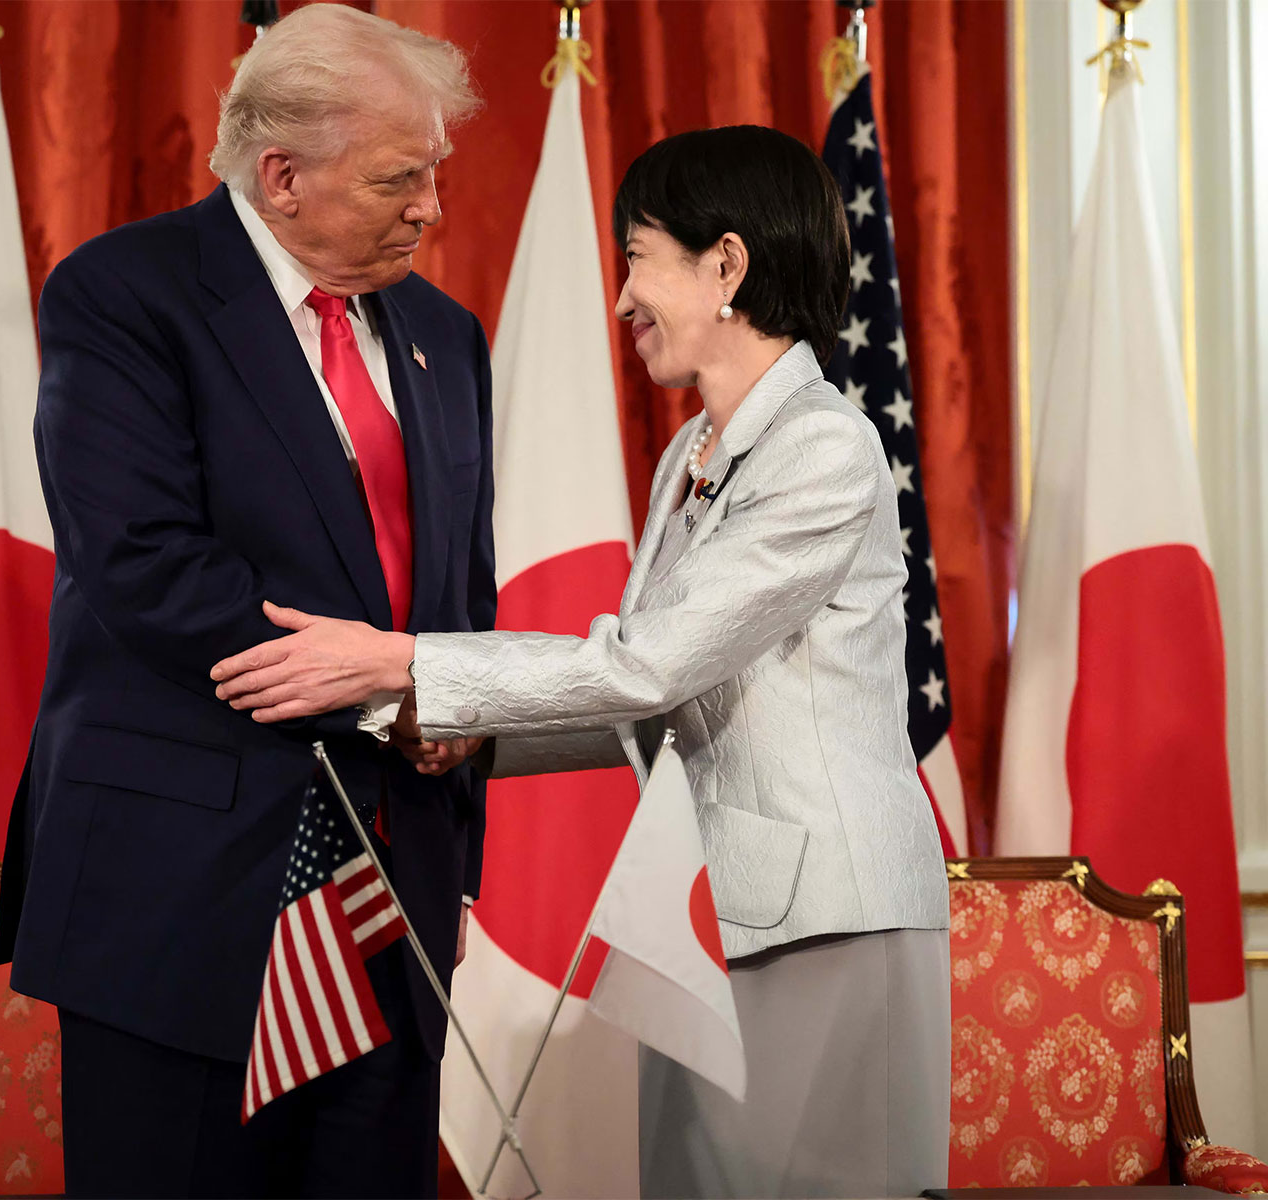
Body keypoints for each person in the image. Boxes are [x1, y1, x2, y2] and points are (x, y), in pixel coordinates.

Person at [212, 125, 952, 1198]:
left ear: (727, 267)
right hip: (707, 913)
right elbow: (663, 704)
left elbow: (650, 666)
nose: (622, 299)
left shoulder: (822, 449)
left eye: (641, 257)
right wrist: (471, 736)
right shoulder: (689, 457)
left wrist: (405, 662)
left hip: (818, 924)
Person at [0, 7, 496, 1197]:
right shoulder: (126, 295)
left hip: (392, 890)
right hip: (179, 885)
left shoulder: (443, 334)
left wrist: (459, 703)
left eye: (435, 173)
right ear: (281, 177)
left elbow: (458, 586)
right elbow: (146, 564)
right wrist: (391, 698)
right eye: (398, 178)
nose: (431, 207)